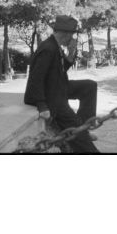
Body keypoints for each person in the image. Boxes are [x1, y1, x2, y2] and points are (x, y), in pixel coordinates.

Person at [24, 15, 99, 153]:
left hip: (59, 87)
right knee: (76, 131)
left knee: (89, 86)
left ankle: (84, 127)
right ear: (65, 34)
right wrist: (42, 105)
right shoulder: (48, 49)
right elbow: (36, 79)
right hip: (52, 96)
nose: (73, 38)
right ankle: (84, 138)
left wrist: (70, 53)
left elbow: (61, 69)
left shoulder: (55, 45)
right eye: (72, 35)